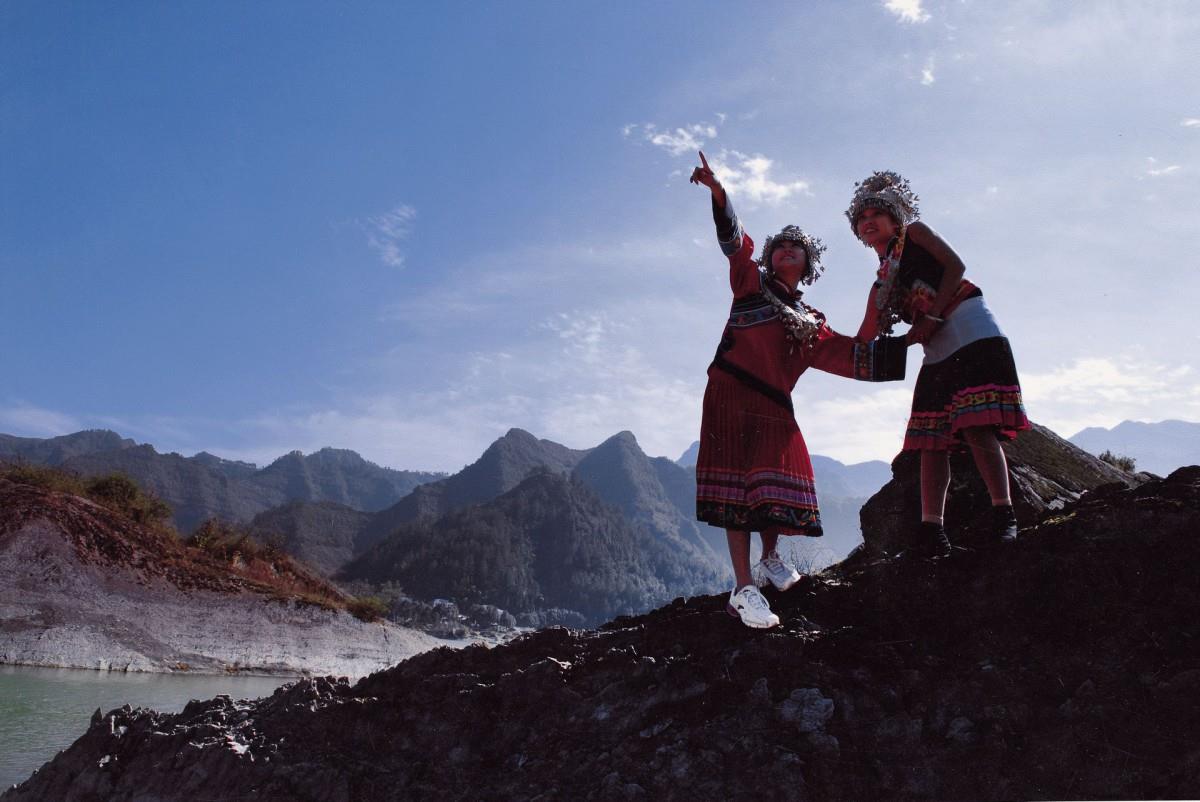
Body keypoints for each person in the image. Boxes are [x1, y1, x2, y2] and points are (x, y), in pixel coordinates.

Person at [691, 153, 906, 628]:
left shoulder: (811, 323)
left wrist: (908, 340)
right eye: (780, 247)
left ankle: (769, 560)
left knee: (772, 481)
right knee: (736, 488)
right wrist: (719, 193)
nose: (787, 250)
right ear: (769, 258)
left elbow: (850, 352)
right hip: (730, 391)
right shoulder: (749, 286)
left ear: (809, 262)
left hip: (773, 402)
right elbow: (734, 247)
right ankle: (743, 588)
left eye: (797, 247)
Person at [846, 171, 1030, 556]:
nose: (868, 221)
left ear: (895, 217)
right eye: (861, 218)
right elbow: (866, 334)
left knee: (977, 425)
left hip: (969, 325)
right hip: (936, 346)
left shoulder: (915, 233)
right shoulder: (883, 280)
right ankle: (932, 531)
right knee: (931, 440)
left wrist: (931, 319)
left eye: (876, 212)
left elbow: (956, 266)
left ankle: (1004, 515)